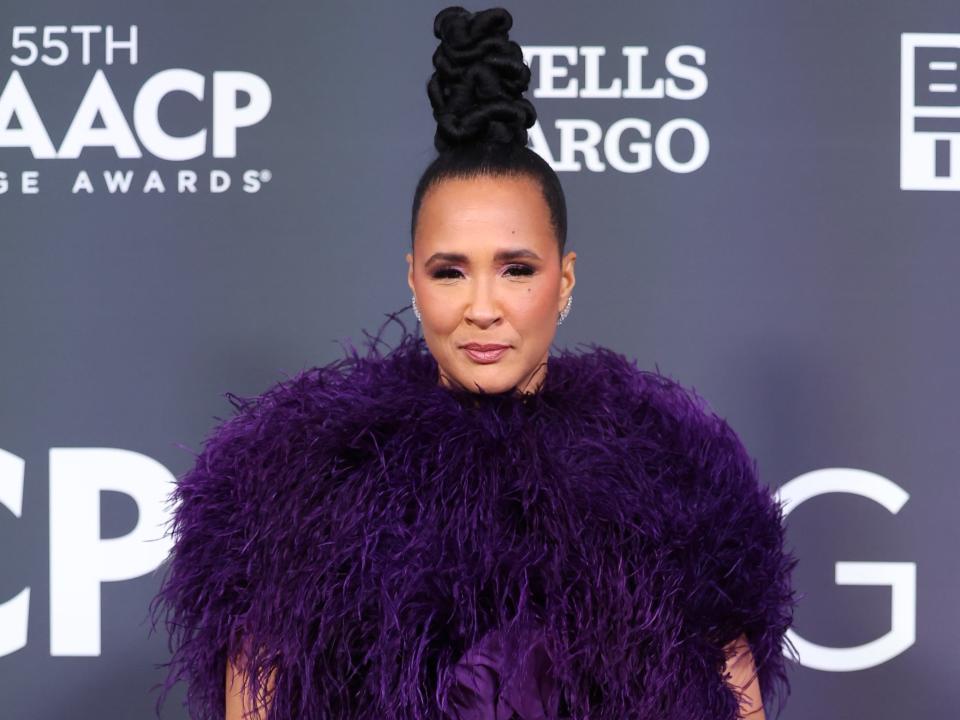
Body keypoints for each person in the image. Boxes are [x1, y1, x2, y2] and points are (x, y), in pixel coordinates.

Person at [149, 6, 799, 719]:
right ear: (412, 279)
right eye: (450, 271)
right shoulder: (295, 488)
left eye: (516, 269)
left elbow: (739, 704)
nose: (482, 307)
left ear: (566, 278)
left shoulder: (677, 480)